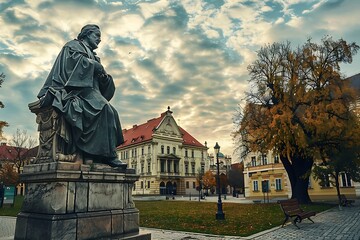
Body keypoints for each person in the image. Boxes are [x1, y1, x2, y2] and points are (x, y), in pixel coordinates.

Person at [37, 24, 127, 169]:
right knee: (105, 110)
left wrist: (105, 79)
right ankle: (107, 156)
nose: (99, 40)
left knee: (111, 112)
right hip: (74, 90)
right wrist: (92, 65)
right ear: (86, 34)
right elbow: (69, 68)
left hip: (90, 92)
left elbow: (100, 84)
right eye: (97, 36)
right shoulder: (73, 46)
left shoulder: (94, 56)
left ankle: (98, 155)